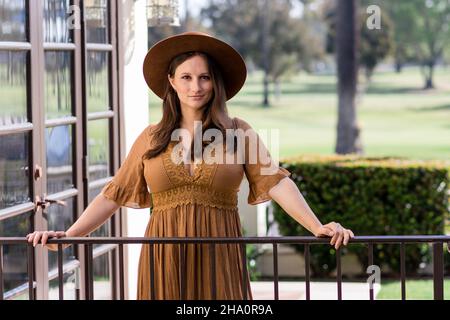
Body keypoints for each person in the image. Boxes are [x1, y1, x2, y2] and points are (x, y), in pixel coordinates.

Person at [27, 31, 354, 300]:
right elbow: (113, 195)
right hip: (163, 259)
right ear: (171, 81)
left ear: (216, 83)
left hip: (220, 257)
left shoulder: (238, 132)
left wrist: (317, 226)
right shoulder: (150, 138)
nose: (195, 87)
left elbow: (277, 183)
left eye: (204, 78)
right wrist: (69, 236)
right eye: (186, 77)